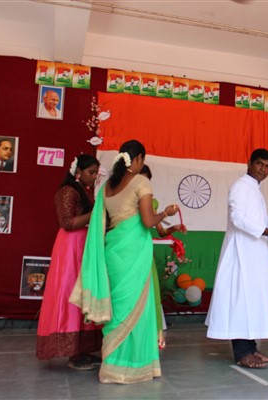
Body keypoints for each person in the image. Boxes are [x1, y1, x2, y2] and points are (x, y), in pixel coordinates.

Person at [70, 140, 179, 384]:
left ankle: (112, 367)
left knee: (118, 310)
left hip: (113, 251)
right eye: (143, 160)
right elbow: (148, 221)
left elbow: (107, 221)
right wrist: (166, 213)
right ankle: (135, 367)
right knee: (137, 310)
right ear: (138, 159)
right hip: (133, 252)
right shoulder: (141, 182)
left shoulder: (107, 187)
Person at [206, 148, 268, 369]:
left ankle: (251, 348)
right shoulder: (240, 186)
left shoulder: (254, 189)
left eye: (267, 166)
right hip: (240, 253)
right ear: (249, 163)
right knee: (241, 302)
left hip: (254, 255)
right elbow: (238, 218)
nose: (263, 169)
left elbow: (252, 218)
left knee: (251, 302)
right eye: (259, 164)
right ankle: (242, 353)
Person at [37, 154, 103, 370]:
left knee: (84, 293)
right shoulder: (67, 191)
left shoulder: (84, 190)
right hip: (70, 247)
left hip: (83, 245)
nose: (94, 177)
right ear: (78, 172)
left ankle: (82, 350)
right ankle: (74, 354)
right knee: (70, 291)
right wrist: (95, 214)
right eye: (91, 172)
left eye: (96, 173)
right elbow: (66, 223)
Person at [139, 165, 186, 350]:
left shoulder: (151, 202)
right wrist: (165, 213)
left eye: (146, 180)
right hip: (126, 248)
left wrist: (175, 228)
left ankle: (146, 334)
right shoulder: (122, 198)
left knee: (148, 292)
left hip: (144, 250)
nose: (142, 183)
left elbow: (160, 231)